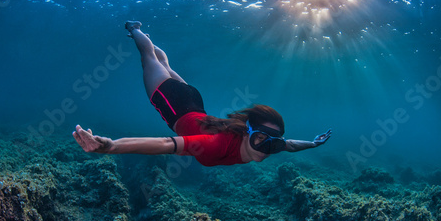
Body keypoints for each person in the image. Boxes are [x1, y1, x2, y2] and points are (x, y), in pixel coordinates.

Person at [73, 21, 331, 167]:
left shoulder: (268, 143)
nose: (266, 147)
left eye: (272, 142)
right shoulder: (216, 144)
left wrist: (313, 143)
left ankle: (145, 37)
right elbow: (165, 145)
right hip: (173, 102)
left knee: (166, 64)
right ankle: (135, 29)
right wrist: (110, 147)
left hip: (194, 102)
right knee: (148, 57)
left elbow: (290, 144)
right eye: (262, 138)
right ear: (249, 131)